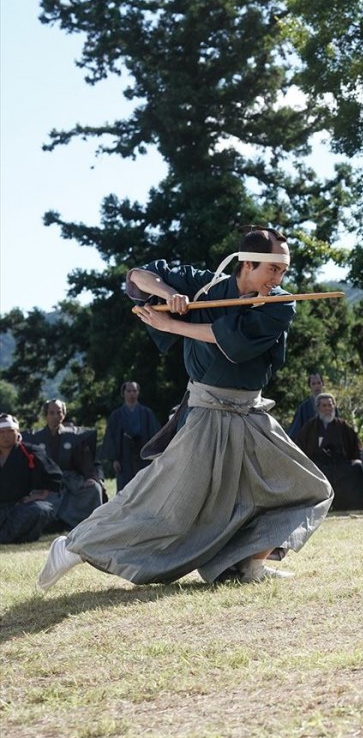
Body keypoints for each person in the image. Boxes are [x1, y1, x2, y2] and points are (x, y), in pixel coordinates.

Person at [38, 226, 334, 591]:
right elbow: (137, 276)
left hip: (250, 415)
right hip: (207, 414)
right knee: (165, 506)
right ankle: (71, 548)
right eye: (272, 270)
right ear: (246, 264)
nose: (279, 278)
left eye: (283, 271)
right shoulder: (204, 286)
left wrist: (173, 325)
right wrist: (170, 293)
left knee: (306, 489)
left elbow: (236, 343)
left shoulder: (279, 302)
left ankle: (248, 565)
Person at [24, 399, 105, 530]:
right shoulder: (36, 438)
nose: (55, 416)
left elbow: (85, 460)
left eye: (59, 412)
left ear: (64, 414)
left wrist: (90, 477)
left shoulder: (74, 436)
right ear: (46, 415)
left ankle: (82, 523)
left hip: (70, 478)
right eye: (51, 413)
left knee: (94, 489)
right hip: (46, 481)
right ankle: (48, 524)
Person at [295, 392, 363, 512]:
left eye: (330, 405)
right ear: (318, 408)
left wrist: (359, 458)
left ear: (334, 407)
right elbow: (300, 448)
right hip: (318, 466)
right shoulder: (310, 426)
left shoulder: (343, 425)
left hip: (340, 464)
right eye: (324, 406)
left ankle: (356, 505)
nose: (327, 409)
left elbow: (356, 446)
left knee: (357, 466)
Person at [0, 414, 62, 544]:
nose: (6, 436)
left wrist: (40, 495)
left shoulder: (30, 452)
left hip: (20, 507)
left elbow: (54, 474)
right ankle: (12, 536)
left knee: (42, 510)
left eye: (10, 431)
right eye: (1, 432)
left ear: (17, 432)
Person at [99, 380, 160, 492]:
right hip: (124, 455)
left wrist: (154, 455)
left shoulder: (147, 413)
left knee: (145, 486)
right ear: (123, 393)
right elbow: (111, 437)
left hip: (143, 453)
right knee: (125, 488)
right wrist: (115, 459)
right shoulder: (116, 415)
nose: (132, 394)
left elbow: (155, 434)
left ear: (138, 393)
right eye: (129, 391)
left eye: (134, 391)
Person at [287, 373, 337, 440]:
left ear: (323, 384)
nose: (317, 386)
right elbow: (294, 432)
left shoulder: (331, 405)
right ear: (309, 386)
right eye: (313, 384)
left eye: (319, 383)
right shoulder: (303, 408)